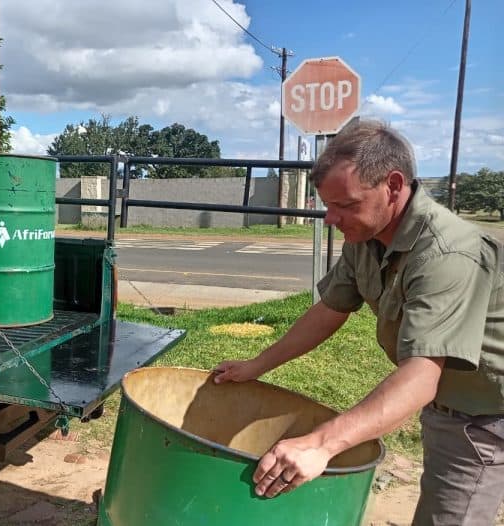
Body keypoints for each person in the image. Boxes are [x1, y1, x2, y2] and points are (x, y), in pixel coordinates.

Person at [213, 119, 504, 525]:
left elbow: (421, 375)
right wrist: (256, 366)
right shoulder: (366, 236)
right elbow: (328, 311)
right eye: (328, 205)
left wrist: (319, 445)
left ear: (394, 186)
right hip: (452, 402)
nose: (331, 219)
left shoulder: (447, 254)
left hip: (485, 414)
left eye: (346, 205)